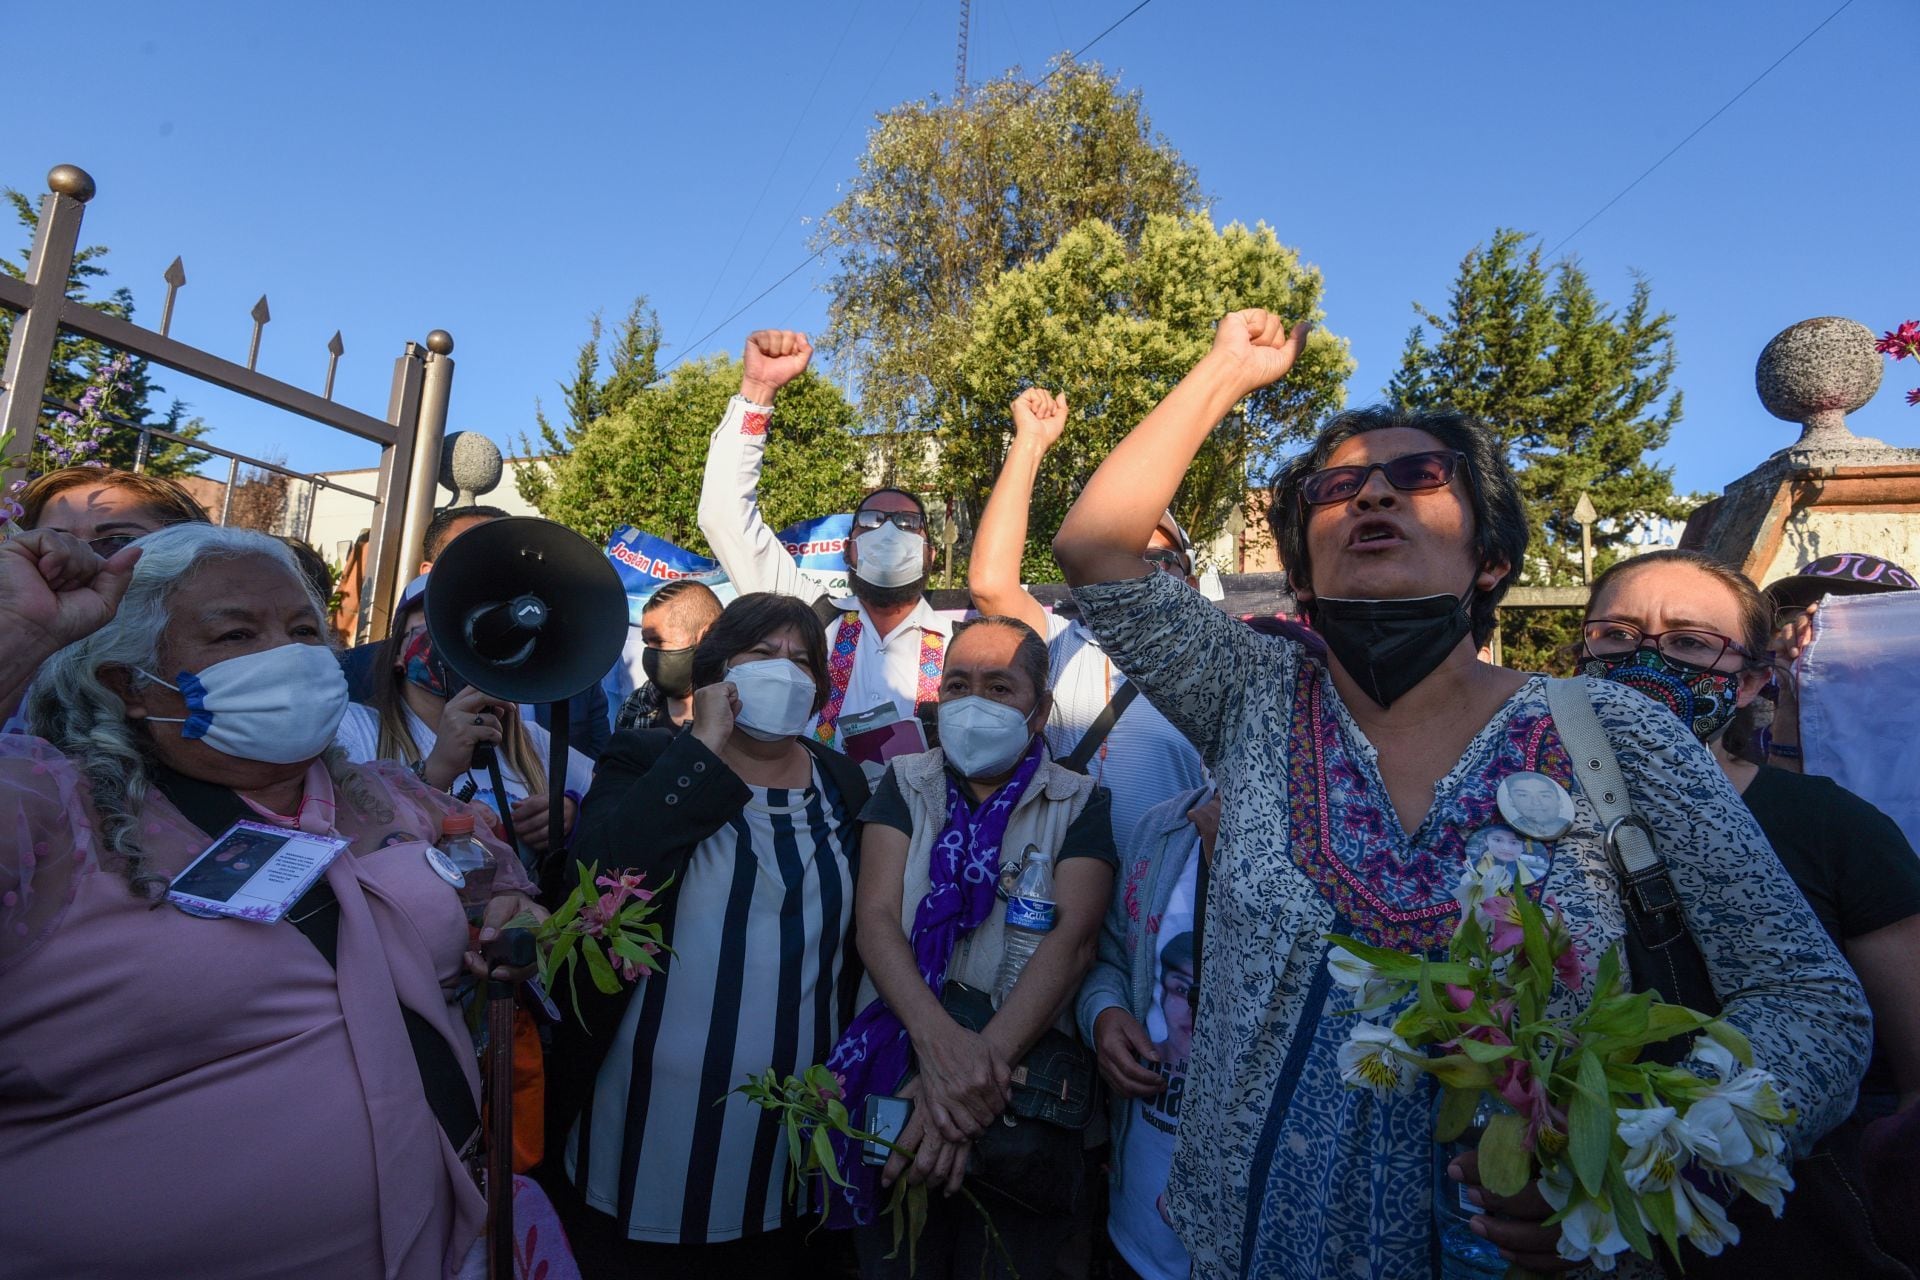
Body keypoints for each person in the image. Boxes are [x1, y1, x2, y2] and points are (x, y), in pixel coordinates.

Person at [1049, 308, 1872, 1279]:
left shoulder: (1609, 732)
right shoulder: (1252, 696)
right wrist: (1226, 369)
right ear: (1302, 566)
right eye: (1337, 487)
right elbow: (1097, 548)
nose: (1372, 497)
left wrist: (1639, 1159)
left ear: (1490, 557)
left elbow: (1814, 1004)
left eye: (1419, 478)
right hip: (1254, 1248)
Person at [0, 522, 540, 1279]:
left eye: (303, 631)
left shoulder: (387, 795)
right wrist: (16, 641)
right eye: (235, 633)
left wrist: (510, 909)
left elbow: (494, 877)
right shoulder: (50, 813)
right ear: (127, 684)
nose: (288, 657)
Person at [1581, 548, 1920, 1272]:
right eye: (1615, 635)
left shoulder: (1835, 828)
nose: (1647, 659)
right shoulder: (1521, 814)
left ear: (1752, 682)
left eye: (1689, 643)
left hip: (1788, 1231)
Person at [551, 593, 870, 1278]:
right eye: (762, 655)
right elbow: (601, 877)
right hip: (642, 1123)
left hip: (785, 1131)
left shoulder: (843, 784)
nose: (784, 672)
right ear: (718, 670)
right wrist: (703, 745)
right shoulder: (647, 758)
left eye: (801, 660)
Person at [825, 615, 1116, 1279]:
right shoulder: (904, 781)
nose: (975, 702)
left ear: (1039, 711)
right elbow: (875, 919)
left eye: (1000, 687)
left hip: (1017, 1105)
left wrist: (958, 1087)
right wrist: (937, 1050)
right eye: (958, 685)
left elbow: (1072, 946)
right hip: (895, 1079)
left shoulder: (1080, 802)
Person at [967, 387, 1207, 853]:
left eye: (1157, 558)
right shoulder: (1057, 644)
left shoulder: (1217, 671)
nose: (1134, 574)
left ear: (1190, 583)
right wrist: (1030, 443)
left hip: (1160, 909)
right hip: (1050, 899)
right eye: (1120, 557)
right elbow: (991, 584)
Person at [698, 330, 953, 748]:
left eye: (907, 523)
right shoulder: (813, 618)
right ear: (847, 550)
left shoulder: (960, 648)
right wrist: (758, 392)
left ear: (931, 554)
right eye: (870, 521)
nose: (888, 532)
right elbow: (724, 516)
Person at [334, 573, 594, 869]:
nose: (462, 636)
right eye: (440, 621)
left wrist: (571, 811)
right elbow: (347, 834)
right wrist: (436, 771)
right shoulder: (353, 728)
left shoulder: (531, 742)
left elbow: (610, 797)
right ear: (398, 653)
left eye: (478, 619)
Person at [339, 504, 612, 760]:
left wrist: (568, 801)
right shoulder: (352, 681)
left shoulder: (567, 670)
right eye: (469, 555)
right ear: (428, 573)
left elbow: (601, 771)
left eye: (503, 561)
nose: (491, 573)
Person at [1078, 784, 1218, 1280]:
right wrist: (1104, 1013)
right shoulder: (1162, 826)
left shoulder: (1355, 847)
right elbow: (1113, 955)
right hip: (1140, 1227)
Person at [3, 465, 210, 728]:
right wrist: (23, 629)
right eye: (52, 542)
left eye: (118, 542)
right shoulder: (16, 664)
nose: (80, 558)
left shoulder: (218, 663)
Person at [1759, 552, 1919, 772]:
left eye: (1863, 622)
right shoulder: (1734, 754)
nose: (1827, 635)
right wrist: (1790, 696)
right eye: (1810, 619)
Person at [616, 580, 725, 732]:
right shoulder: (636, 704)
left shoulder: (738, 712)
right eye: (646, 642)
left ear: (706, 637)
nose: (649, 652)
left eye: (659, 641)